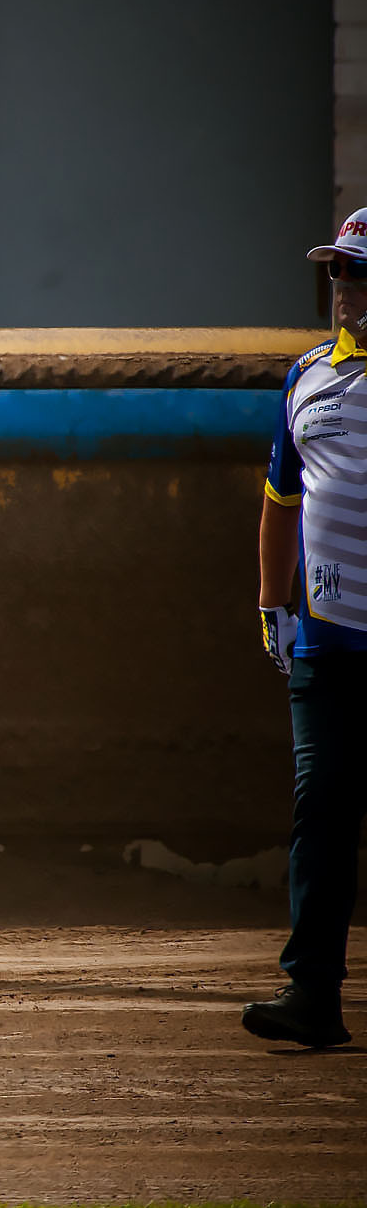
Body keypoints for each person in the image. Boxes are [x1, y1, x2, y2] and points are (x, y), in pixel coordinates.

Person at [246, 207, 367, 1049]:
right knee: (320, 808)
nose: (345, 287)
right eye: (338, 272)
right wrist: (270, 600)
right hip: (325, 642)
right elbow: (281, 499)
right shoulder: (307, 375)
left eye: (358, 272)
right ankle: (312, 995)